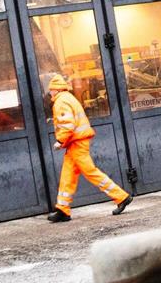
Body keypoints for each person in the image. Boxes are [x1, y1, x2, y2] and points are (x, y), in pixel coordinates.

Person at [47, 74, 132, 222]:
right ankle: (62, 209)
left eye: (51, 90)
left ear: (55, 89)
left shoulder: (61, 102)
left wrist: (60, 141)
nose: (50, 93)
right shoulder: (69, 98)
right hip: (76, 143)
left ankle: (121, 197)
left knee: (90, 172)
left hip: (76, 143)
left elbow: (68, 124)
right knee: (67, 175)